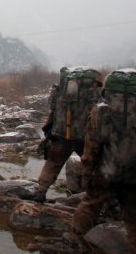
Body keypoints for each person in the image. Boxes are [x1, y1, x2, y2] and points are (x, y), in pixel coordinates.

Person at [71, 70, 136, 253]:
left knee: (90, 204)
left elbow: (92, 147)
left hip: (106, 171)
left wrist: (88, 172)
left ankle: (77, 241)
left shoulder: (101, 112)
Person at [34, 67, 102, 202]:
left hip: (60, 134)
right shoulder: (93, 93)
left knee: (52, 163)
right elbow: (99, 113)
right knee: (93, 166)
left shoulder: (60, 90)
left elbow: (52, 107)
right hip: (84, 136)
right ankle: (95, 199)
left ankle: (41, 192)